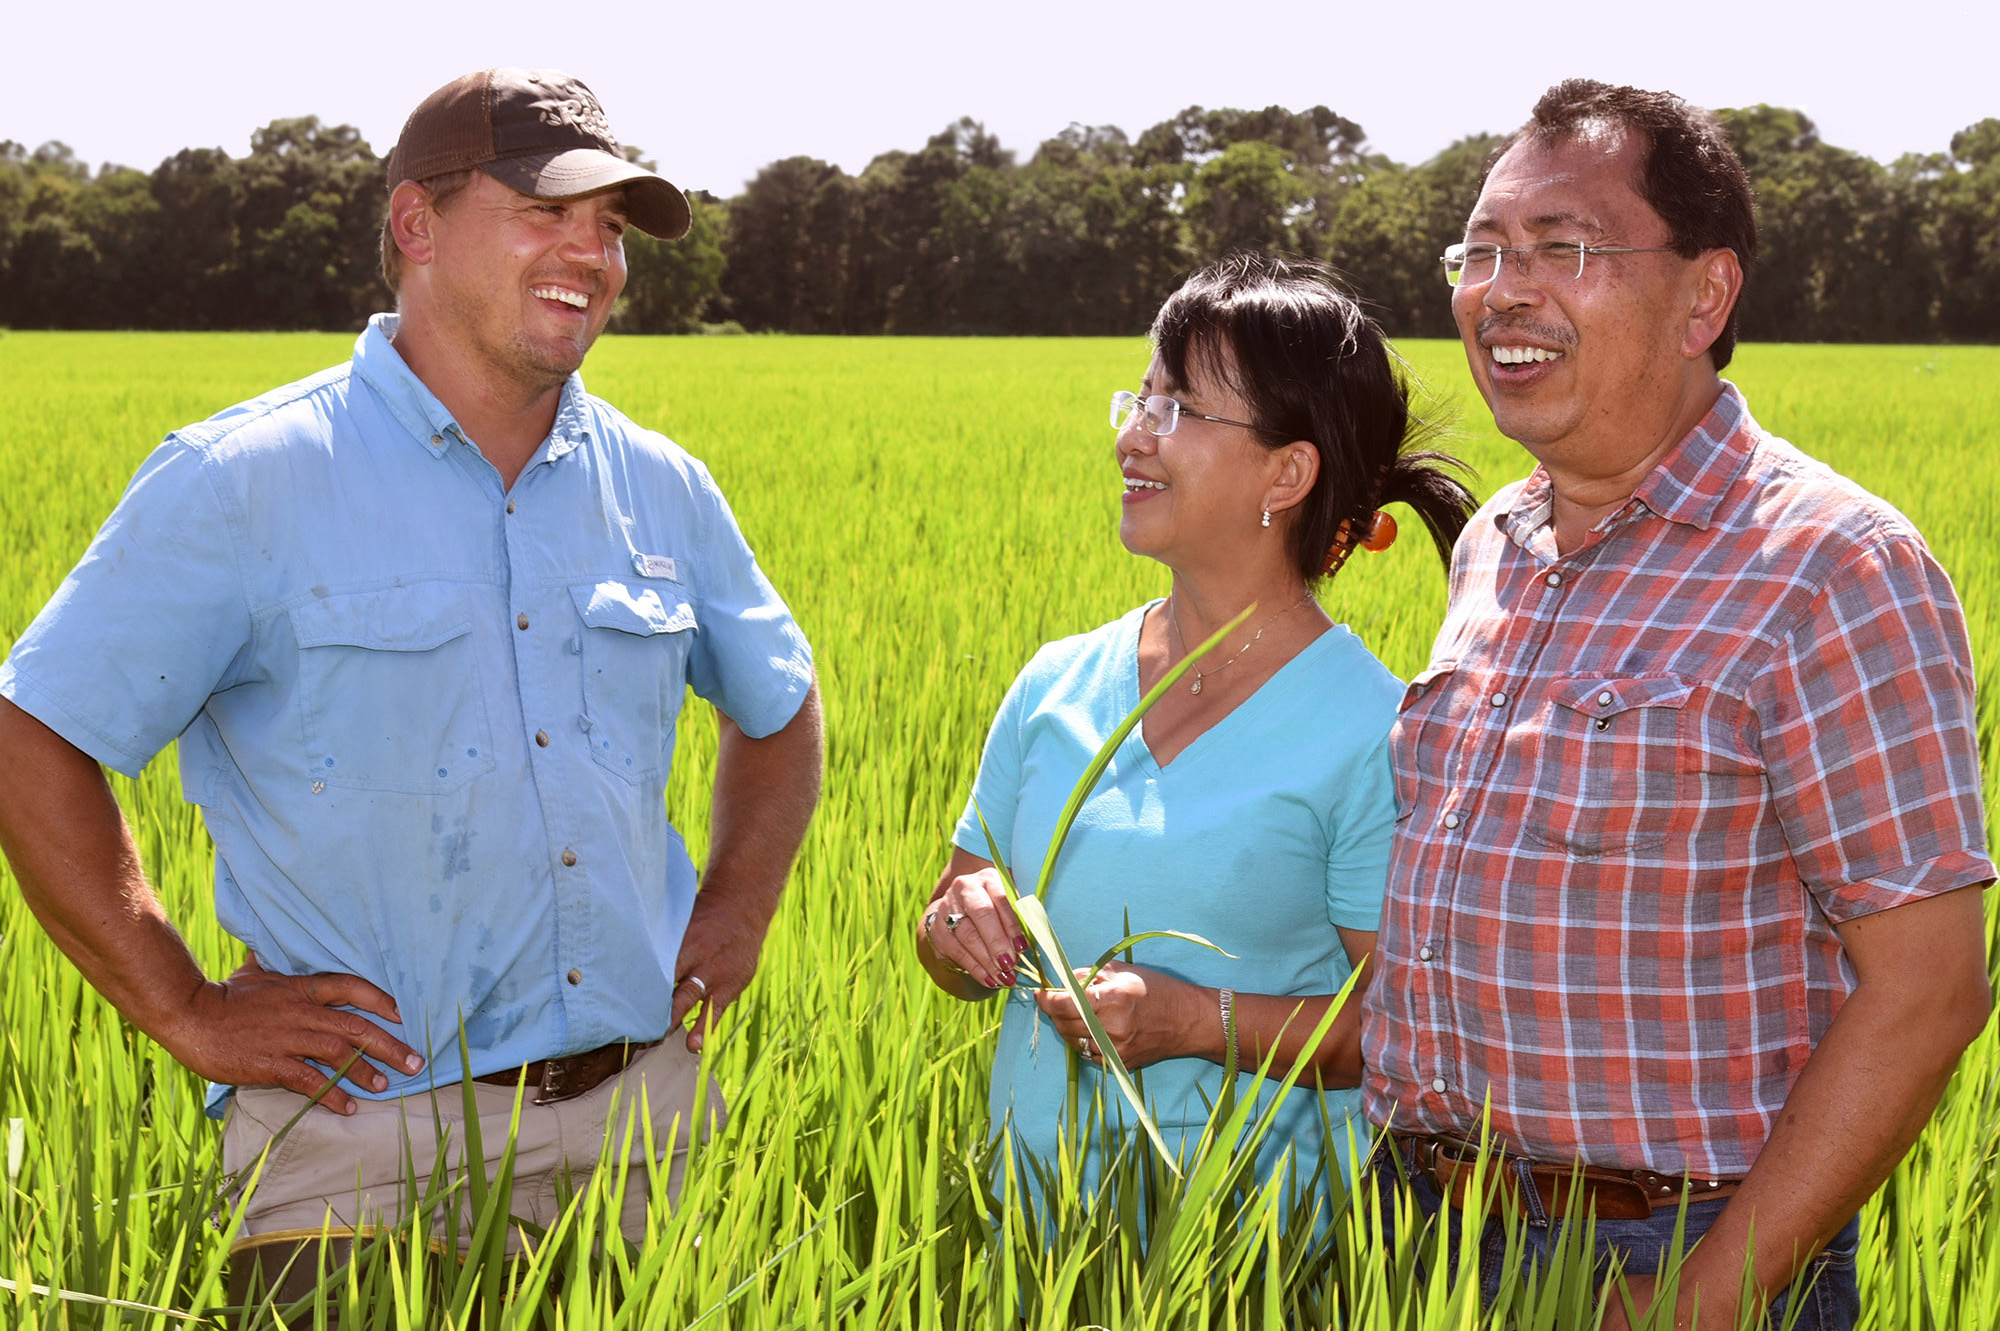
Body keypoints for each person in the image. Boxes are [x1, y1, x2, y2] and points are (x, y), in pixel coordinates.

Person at [0, 68, 823, 1300]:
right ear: (415, 225)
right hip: (358, 1154)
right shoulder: (242, 480)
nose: (590, 254)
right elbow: (34, 731)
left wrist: (738, 910)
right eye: (546, 213)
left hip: (636, 1135)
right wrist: (182, 1005)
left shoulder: (664, 488)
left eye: (608, 227)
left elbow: (779, 703)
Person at [1359, 80, 1994, 1330]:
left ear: (1704, 294)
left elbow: (1929, 986)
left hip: (1672, 1248)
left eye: (1561, 248)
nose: (1503, 288)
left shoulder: (1832, 563)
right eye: (1479, 250)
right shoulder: (1497, 535)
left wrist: (1697, 1300)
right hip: (1424, 1231)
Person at [916, 253, 1475, 1227]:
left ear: (1285, 472)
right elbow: (946, 939)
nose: (1133, 435)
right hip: (1029, 1237)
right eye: (1136, 399)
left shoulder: (1371, 730)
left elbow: (1408, 1032)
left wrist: (1193, 1020)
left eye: (1174, 409)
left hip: (1252, 1255)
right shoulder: (1056, 680)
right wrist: (951, 928)